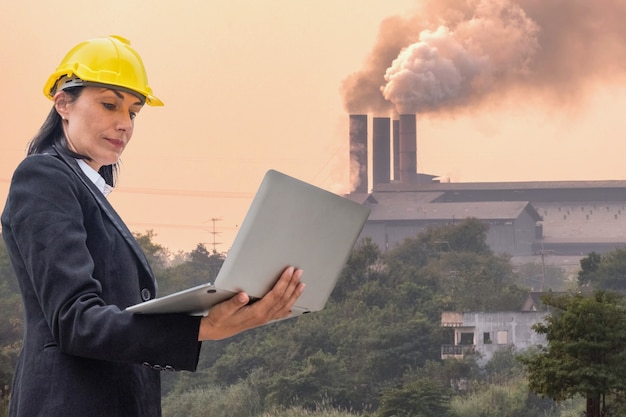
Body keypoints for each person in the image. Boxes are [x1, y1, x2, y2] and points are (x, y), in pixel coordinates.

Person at [1, 35, 305, 417]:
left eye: (133, 112)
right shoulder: (43, 176)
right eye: (109, 104)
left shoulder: (86, 191)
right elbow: (75, 320)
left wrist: (226, 312)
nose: (124, 123)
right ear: (63, 103)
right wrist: (200, 328)